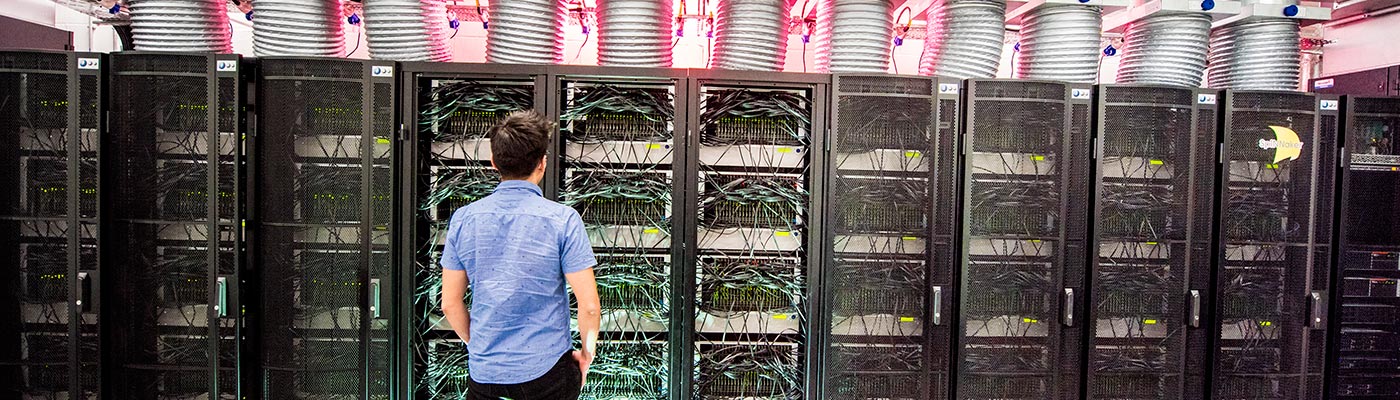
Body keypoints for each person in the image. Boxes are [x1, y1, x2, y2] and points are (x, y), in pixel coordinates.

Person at [440, 110, 601, 400]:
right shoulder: (563, 220)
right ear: (543, 163)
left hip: (485, 374)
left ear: (494, 163)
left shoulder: (464, 219)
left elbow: (450, 304)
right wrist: (586, 355)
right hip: (548, 373)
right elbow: (588, 307)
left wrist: (478, 346)